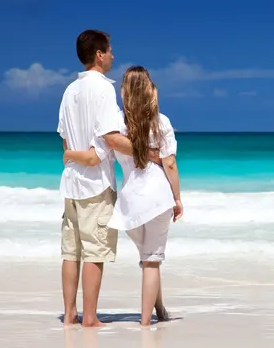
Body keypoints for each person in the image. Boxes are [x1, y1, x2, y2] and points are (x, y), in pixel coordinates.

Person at [64, 66, 183, 326]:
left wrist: (71, 153)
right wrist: (177, 198)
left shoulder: (117, 124)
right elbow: (170, 164)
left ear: (125, 93)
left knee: (148, 257)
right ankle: (144, 323)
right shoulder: (161, 122)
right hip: (157, 198)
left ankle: (160, 309)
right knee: (152, 261)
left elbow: (108, 145)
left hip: (130, 203)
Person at [58, 30, 156, 327]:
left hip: (71, 183)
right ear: (99, 55)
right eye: (110, 50)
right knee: (94, 252)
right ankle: (89, 317)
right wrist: (148, 152)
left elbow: (65, 144)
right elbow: (110, 139)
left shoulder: (69, 90)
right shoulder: (102, 90)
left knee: (70, 251)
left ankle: (71, 314)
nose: (113, 55)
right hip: (96, 184)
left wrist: (77, 156)